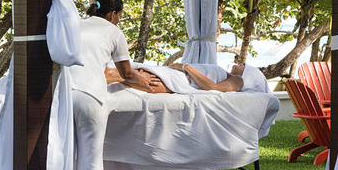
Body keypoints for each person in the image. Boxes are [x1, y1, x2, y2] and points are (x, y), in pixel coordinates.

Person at [52, 0, 159, 170]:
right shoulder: (114, 31)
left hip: (66, 93)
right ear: (113, 14)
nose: (119, 20)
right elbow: (126, 73)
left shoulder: (75, 25)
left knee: (64, 151)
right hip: (92, 96)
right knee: (91, 153)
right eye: (119, 15)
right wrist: (141, 80)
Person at [106, 62, 269, 94]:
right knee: (148, 74)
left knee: (155, 80)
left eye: (242, 64)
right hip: (182, 74)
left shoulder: (237, 80)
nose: (238, 62)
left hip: (185, 78)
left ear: (248, 73)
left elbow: (213, 87)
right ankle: (113, 75)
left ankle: (114, 75)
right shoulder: (231, 75)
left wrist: (187, 67)